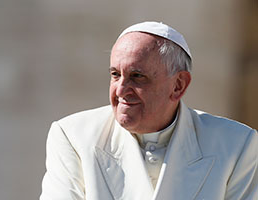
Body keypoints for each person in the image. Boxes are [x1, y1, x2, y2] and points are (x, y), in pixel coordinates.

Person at [40, 21, 258, 200]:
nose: (121, 90)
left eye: (137, 76)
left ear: (178, 85)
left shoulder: (236, 144)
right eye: (115, 75)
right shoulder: (73, 136)